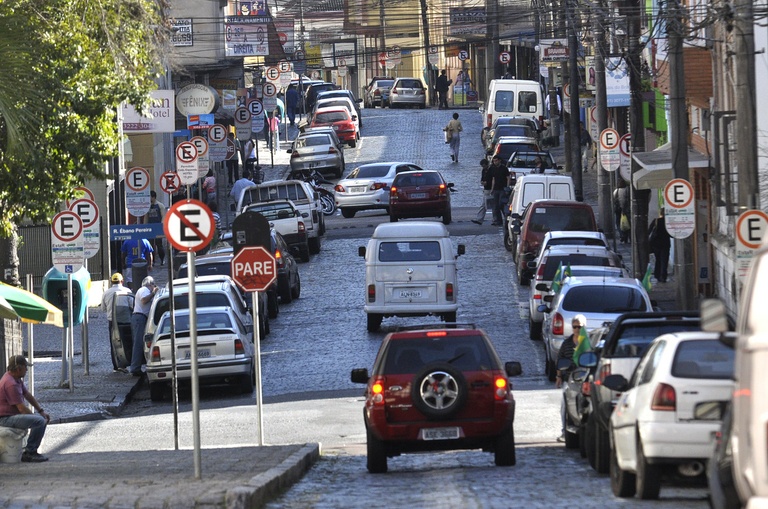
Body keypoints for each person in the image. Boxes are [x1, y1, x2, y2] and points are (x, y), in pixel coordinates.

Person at [0, 355, 50, 462]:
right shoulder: (10, 383)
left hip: (10, 415)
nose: (27, 370)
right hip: (5, 418)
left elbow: (27, 395)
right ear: (18, 369)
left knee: (39, 419)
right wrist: (38, 419)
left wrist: (41, 411)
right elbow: (22, 409)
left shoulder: (15, 378)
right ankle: (30, 452)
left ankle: (30, 450)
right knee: (39, 422)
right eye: (25, 367)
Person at [556, 315, 587, 442]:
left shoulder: (589, 343)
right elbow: (560, 359)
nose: (577, 329)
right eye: (574, 326)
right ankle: (565, 431)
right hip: (569, 379)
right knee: (565, 406)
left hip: (585, 379)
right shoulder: (567, 343)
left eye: (579, 327)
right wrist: (558, 376)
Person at [101, 272, 132, 372]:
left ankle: (116, 366)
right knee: (128, 342)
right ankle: (128, 362)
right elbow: (132, 306)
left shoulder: (106, 293)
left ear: (111, 282)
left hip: (112, 322)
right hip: (126, 321)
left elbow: (103, 308)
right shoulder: (127, 291)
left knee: (114, 344)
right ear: (122, 281)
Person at [129, 276, 158, 377]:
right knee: (138, 343)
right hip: (139, 318)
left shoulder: (146, 291)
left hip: (141, 318)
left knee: (140, 343)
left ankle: (137, 366)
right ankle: (135, 367)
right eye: (153, 285)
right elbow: (144, 301)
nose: (154, 287)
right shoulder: (144, 290)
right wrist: (153, 293)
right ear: (149, 284)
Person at [649, 209, 671, 283]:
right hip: (665, 243)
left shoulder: (656, 221)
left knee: (658, 259)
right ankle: (663, 277)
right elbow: (671, 235)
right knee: (664, 260)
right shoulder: (668, 222)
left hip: (656, 244)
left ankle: (657, 275)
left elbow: (649, 230)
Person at [488, 155, 511, 226]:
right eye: (494, 161)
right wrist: (492, 189)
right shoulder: (493, 168)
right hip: (495, 189)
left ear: (499, 160)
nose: (495, 162)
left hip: (502, 189)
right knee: (495, 206)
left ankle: (506, 218)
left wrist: (507, 187)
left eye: (496, 160)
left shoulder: (504, 168)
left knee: (501, 204)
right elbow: (493, 179)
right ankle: (498, 220)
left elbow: (508, 178)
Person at [144, 191, 165, 265]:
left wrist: (161, 226)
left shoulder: (160, 205)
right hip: (150, 228)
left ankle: (162, 259)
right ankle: (152, 261)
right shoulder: (148, 206)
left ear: (153, 197)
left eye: (150, 197)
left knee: (159, 244)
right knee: (150, 245)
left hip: (157, 227)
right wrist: (145, 226)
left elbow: (163, 216)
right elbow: (146, 217)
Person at [472, 159, 492, 225]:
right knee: (484, 205)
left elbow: (493, 179)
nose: (483, 167)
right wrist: (482, 182)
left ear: (487, 164)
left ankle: (496, 219)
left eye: (484, 166)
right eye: (482, 166)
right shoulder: (483, 170)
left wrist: (487, 183)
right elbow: (482, 178)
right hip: (486, 189)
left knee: (493, 205)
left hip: (491, 189)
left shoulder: (491, 170)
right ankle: (479, 219)